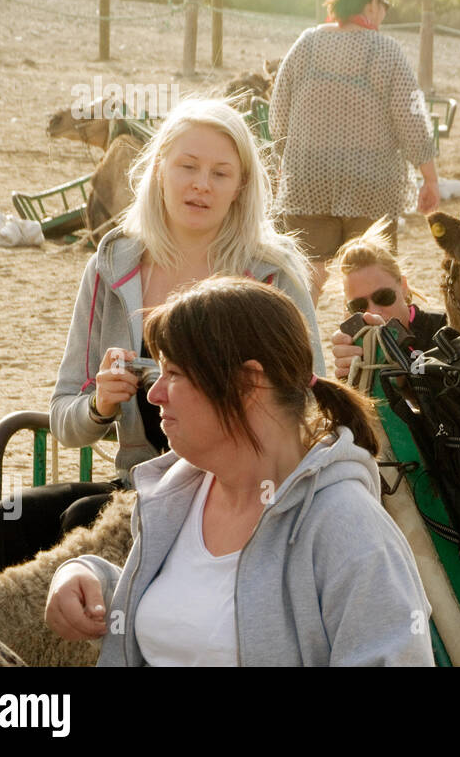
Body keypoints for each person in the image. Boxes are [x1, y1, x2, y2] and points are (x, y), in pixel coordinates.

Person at [0, 98, 322, 574]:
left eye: (220, 173)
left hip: (236, 487)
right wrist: (100, 404)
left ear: (241, 186)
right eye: (188, 166)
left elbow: (309, 403)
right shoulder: (112, 264)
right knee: (11, 518)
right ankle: (2, 651)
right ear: (159, 168)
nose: (202, 184)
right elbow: (64, 417)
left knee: (82, 522)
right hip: (138, 479)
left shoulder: (273, 273)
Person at [44, 277, 433, 666]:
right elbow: (193, 615)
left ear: (248, 382)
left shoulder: (348, 528)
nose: (153, 393)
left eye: (174, 373)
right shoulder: (180, 494)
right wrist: (94, 580)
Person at [270, 0, 441, 304]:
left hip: (307, 179)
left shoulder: (307, 44)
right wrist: (430, 178)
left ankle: (294, 348)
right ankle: (369, 354)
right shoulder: (387, 51)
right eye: (384, 6)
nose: (384, 14)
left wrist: (282, 161)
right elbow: (413, 117)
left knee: (307, 276)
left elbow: (278, 112)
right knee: (371, 280)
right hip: (371, 185)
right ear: (371, 5)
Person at [327, 216, 448, 382]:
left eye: (383, 297)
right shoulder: (356, 349)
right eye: (359, 306)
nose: (374, 312)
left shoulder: (441, 332)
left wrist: (399, 373)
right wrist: (350, 384)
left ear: (403, 287)